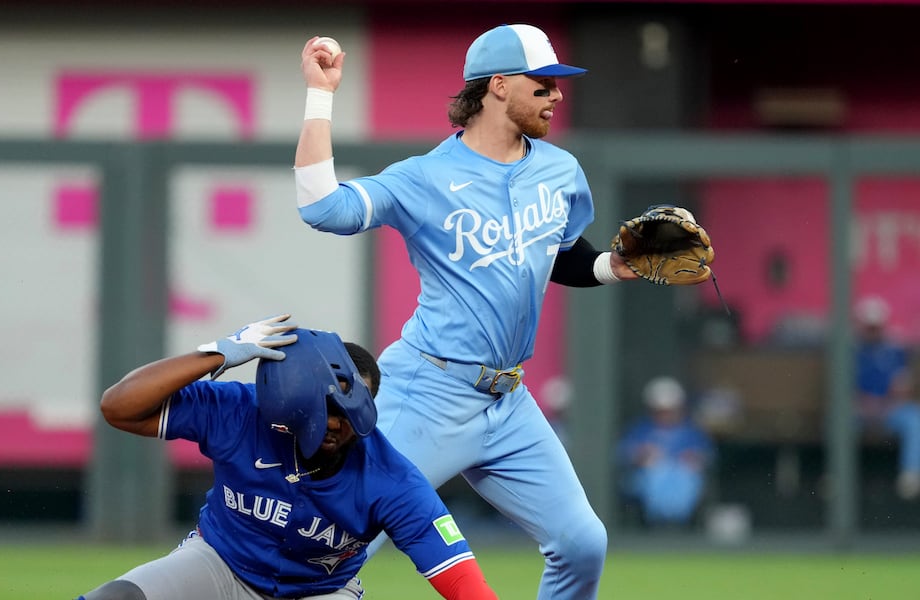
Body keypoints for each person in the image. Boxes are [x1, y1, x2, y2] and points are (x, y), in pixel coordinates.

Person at [294, 24, 649, 598]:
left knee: (583, 543)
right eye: (544, 84)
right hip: (427, 391)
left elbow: (562, 256)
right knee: (333, 545)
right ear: (499, 87)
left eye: (559, 85)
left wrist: (613, 266)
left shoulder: (559, 170)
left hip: (508, 403)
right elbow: (322, 208)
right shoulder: (424, 178)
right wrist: (321, 93)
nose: (557, 95)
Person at [76, 315, 499, 600]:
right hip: (221, 563)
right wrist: (216, 352)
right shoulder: (242, 413)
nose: (338, 424)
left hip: (322, 590)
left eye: (353, 411)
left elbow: (464, 582)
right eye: (330, 409)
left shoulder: (391, 479)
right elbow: (119, 407)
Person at [616, 376, 714, 527]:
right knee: (649, 478)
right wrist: (641, 456)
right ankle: (655, 526)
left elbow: (707, 456)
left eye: (670, 410)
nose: (665, 414)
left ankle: (679, 526)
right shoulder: (640, 429)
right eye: (660, 410)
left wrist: (693, 459)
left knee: (688, 481)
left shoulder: (691, 431)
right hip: (647, 479)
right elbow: (623, 454)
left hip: (683, 479)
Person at [853, 296, 920, 499]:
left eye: (876, 326)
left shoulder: (894, 351)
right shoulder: (850, 351)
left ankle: (910, 474)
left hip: (889, 410)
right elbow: (842, 390)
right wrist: (862, 403)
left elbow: (902, 386)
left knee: (914, 418)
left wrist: (891, 399)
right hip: (859, 411)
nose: (873, 331)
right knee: (838, 419)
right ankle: (840, 474)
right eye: (869, 326)